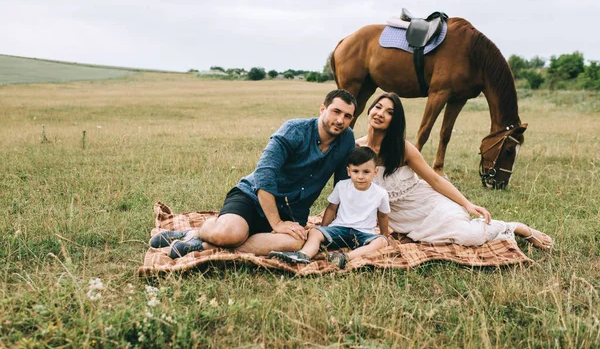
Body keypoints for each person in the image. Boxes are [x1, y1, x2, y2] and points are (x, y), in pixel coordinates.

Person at [149, 89, 357, 258]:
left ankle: (206, 247)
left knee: (294, 242)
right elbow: (264, 175)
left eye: (347, 116)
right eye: (335, 112)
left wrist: (332, 228)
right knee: (229, 233)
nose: (340, 120)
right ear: (323, 109)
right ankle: (193, 233)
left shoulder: (347, 139)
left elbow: (342, 185)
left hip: (292, 211)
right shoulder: (294, 130)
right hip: (252, 197)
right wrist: (276, 223)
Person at [355, 92, 553, 249]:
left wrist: (468, 204)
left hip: (428, 205)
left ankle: (514, 227)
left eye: (389, 112)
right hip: (401, 219)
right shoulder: (355, 149)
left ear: (395, 121)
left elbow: (435, 180)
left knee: (468, 237)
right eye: (378, 107)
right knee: (436, 241)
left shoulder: (403, 148)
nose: (380, 114)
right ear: (369, 110)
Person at [269, 146, 391, 269]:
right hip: (340, 228)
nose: (360, 176)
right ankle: (304, 254)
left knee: (382, 241)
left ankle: (345, 257)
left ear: (375, 172)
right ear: (349, 171)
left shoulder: (380, 193)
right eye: (355, 171)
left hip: (364, 233)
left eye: (366, 172)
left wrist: (384, 235)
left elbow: (382, 215)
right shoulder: (342, 186)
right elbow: (332, 208)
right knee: (315, 231)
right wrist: (324, 229)